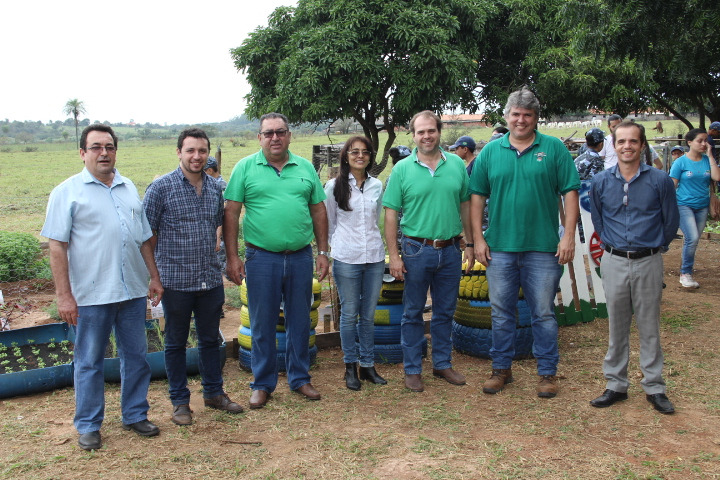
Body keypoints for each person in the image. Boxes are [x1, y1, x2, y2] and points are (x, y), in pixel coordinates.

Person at [41, 124, 163, 451]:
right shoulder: (66, 192)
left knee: (136, 356)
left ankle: (135, 413)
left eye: (109, 146)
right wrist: (64, 296)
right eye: (95, 147)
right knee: (89, 360)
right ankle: (89, 425)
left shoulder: (127, 188)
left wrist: (153, 276)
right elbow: (56, 247)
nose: (103, 153)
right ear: (82, 153)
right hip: (92, 295)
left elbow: (143, 239)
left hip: (133, 291)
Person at [470, 87, 580, 398]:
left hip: (543, 248)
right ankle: (501, 369)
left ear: (536, 118)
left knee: (542, 313)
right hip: (500, 248)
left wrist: (568, 235)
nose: (521, 120)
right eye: (515, 114)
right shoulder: (490, 152)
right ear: (506, 117)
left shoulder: (554, 149)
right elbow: (477, 197)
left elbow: (570, 192)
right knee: (501, 312)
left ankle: (547, 373)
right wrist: (478, 238)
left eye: (527, 115)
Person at [223, 113, 329, 408]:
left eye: (280, 132)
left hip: (299, 257)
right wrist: (233, 256)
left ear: (289, 135)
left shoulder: (305, 168)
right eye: (268, 133)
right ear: (259, 137)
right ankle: (262, 383)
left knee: (299, 321)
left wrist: (322, 252)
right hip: (261, 258)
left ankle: (300, 378)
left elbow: (319, 211)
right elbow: (231, 212)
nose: (274, 138)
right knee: (262, 323)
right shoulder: (245, 167)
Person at [143, 128, 243, 426]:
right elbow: (146, 236)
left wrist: (229, 259)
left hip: (209, 280)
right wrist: (153, 277)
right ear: (179, 152)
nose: (197, 156)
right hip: (174, 281)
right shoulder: (160, 188)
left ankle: (214, 393)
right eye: (190, 151)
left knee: (211, 340)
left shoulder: (215, 189)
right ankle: (180, 402)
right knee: (175, 343)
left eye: (202, 151)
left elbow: (221, 226)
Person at [588, 121, 680, 414]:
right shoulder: (602, 181)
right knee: (616, 325)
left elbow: (670, 222)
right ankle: (616, 384)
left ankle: (654, 386)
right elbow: (599, 220)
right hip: (614, 261)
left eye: (633, 141)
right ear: (614, 146)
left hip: (649, 260)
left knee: (649, 325)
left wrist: (654, 248)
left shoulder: (660, 180)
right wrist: (613, 246)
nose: (627, 146)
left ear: (642, 145)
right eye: (621, 141)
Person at [383, 110, 475, 393]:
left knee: (444, 311)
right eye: (420, 132)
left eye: (431, 131)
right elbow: (390, 215)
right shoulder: (402, 169)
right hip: (415, 249)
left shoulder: (457, 165)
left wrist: (469, 243)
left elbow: (465, 206)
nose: (426, 136)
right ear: (413, 135)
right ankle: (412, 369)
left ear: (439, 131)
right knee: (412, 312)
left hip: (449, 250)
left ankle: (442, 364)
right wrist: (394, 256)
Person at [324, 136, 386, 390]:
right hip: (346, 258)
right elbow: (328, 224)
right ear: (346, 156)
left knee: (368, 316)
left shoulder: (377, 186)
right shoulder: (332, 186)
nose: (360, 156)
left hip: (374, 257)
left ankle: (368, 365)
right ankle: (350, 366)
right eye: (354, 152)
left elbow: (377, 219)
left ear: (370, 156)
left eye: (365, 152)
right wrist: (333, 249)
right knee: (349, 314)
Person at [669, 128, 720, 288]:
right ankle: (686, 273)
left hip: (702, 206)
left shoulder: (707, 160)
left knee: (693, 239)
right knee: (692, 238)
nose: (704, 144)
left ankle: (687, 268)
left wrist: (711, 155)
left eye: (706, 141)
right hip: (683, 205)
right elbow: (672, 185)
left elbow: (716, 177)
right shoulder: (680, 162)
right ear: (689, 142)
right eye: (700, 141)